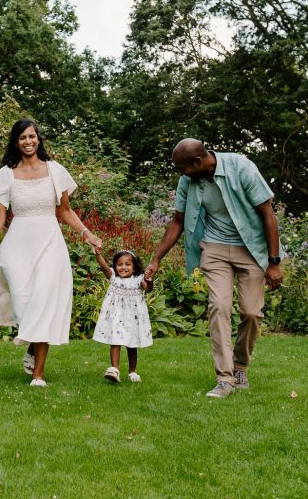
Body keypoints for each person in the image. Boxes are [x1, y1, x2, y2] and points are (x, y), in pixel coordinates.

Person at [146, 138, 283, 398]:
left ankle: (240, 365)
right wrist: (156, 259)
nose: (180, 174)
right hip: (215, 248)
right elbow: (177, 222)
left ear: (198, 162)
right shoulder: (188, 181)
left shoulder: (241, 167)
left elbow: (268, 213)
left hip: (252, 248)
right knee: (219, 306)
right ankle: (225, 377)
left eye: (182, 168)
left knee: (252, 313)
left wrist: (273, 263)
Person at [0, 118, 102, 387]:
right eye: (22, 138)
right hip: (18, 245)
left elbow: (64, 210)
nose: (28, 142)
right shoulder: (5, 174)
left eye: (32, 136)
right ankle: (32, 346)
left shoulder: (55, 171)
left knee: (44, 298)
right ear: (16, 142)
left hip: (49, 242)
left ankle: (38, 375)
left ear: (38, 139)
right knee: (24, 303)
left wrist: (86, 233)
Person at [91, 248, 153, 383]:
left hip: (133, 318)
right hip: (116, 316)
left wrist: (149, 280)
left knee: (132, 344)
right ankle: (114, 369)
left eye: (127, 264)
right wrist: (98, 254)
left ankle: (132, 372)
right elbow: (103, 266)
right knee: (115, 340)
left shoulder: (138, 279)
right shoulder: (113, 278)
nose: (123, 267)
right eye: (120, 264)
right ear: (115, 266)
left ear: (134, 266)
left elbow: (147, 289)